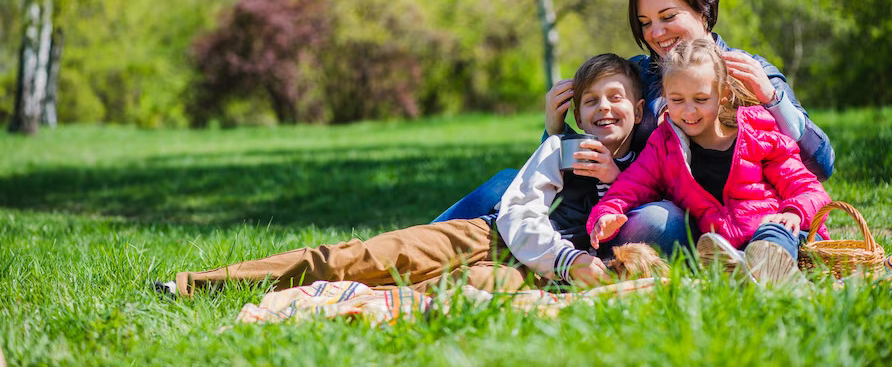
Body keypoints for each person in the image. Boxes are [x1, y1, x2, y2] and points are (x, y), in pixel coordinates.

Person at [162, 53, 652, 297]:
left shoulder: (653, 159)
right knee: (367, 255)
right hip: (492, 235)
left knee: (467, 289)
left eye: (614, 98)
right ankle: (199, 283)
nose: (603, 109)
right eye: (590, 101)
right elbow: (521, 208)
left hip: (542, 272)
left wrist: (616, 183)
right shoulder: (562, 149)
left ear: (636, 105)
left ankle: (319, 305)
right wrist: (565, 260)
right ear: (577, 109)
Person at [433, 0, 835, 253]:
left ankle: (493, 251)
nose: (656, 33)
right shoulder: (639, 73)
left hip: (697, 219)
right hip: (617, 206)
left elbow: (821, 166)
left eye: (667, 16)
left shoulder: (747, 73)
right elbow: (589, 150)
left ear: (704, 12)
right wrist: (556, 132)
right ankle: (421, 246)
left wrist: (773, 99)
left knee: (664, 220)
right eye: (644, 23)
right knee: (507, 182)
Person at [587, 38, 831, 286]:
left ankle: (770, 271)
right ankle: (744, 274)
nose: (689, 111)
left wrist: (793, 213)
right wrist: (607, 213)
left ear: (723, 94)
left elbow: (808, 188)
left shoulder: (758, 133)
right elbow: (631, 185)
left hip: (787, 237)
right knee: (712, 248)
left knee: (771, 234)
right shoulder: (664, 146)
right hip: (725, 248)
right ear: (665, 97)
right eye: (677, 100)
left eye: (701, 99)